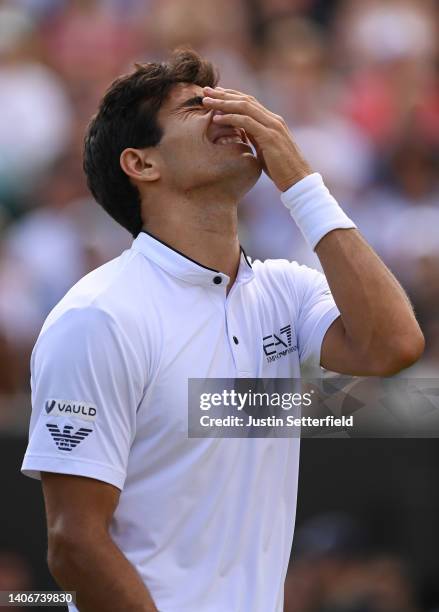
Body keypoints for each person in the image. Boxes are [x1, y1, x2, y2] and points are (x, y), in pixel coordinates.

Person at [21, 49, 424, 612]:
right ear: (141, 164)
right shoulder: (98, 317)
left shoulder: (285, 288)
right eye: (195, 107)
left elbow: (393, 346)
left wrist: (302, 182)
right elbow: (74, 543)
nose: (231, 115)